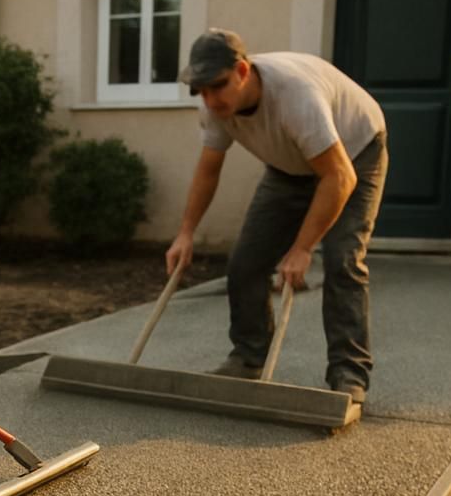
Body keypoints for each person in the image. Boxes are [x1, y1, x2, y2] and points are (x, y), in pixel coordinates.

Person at [166, 30, 388, 405]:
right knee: (246, 263)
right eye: (200, 90)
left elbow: (339, 177)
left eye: (217, 86)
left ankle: (349, 373)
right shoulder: (215, 108)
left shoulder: (296, 97)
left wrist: (302, 248)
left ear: (242, 70)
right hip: (289, 167)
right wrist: (185, 232)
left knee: (342, 260)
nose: (210, 99)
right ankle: (249, 356)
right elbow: (208, 171)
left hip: (354, 156)